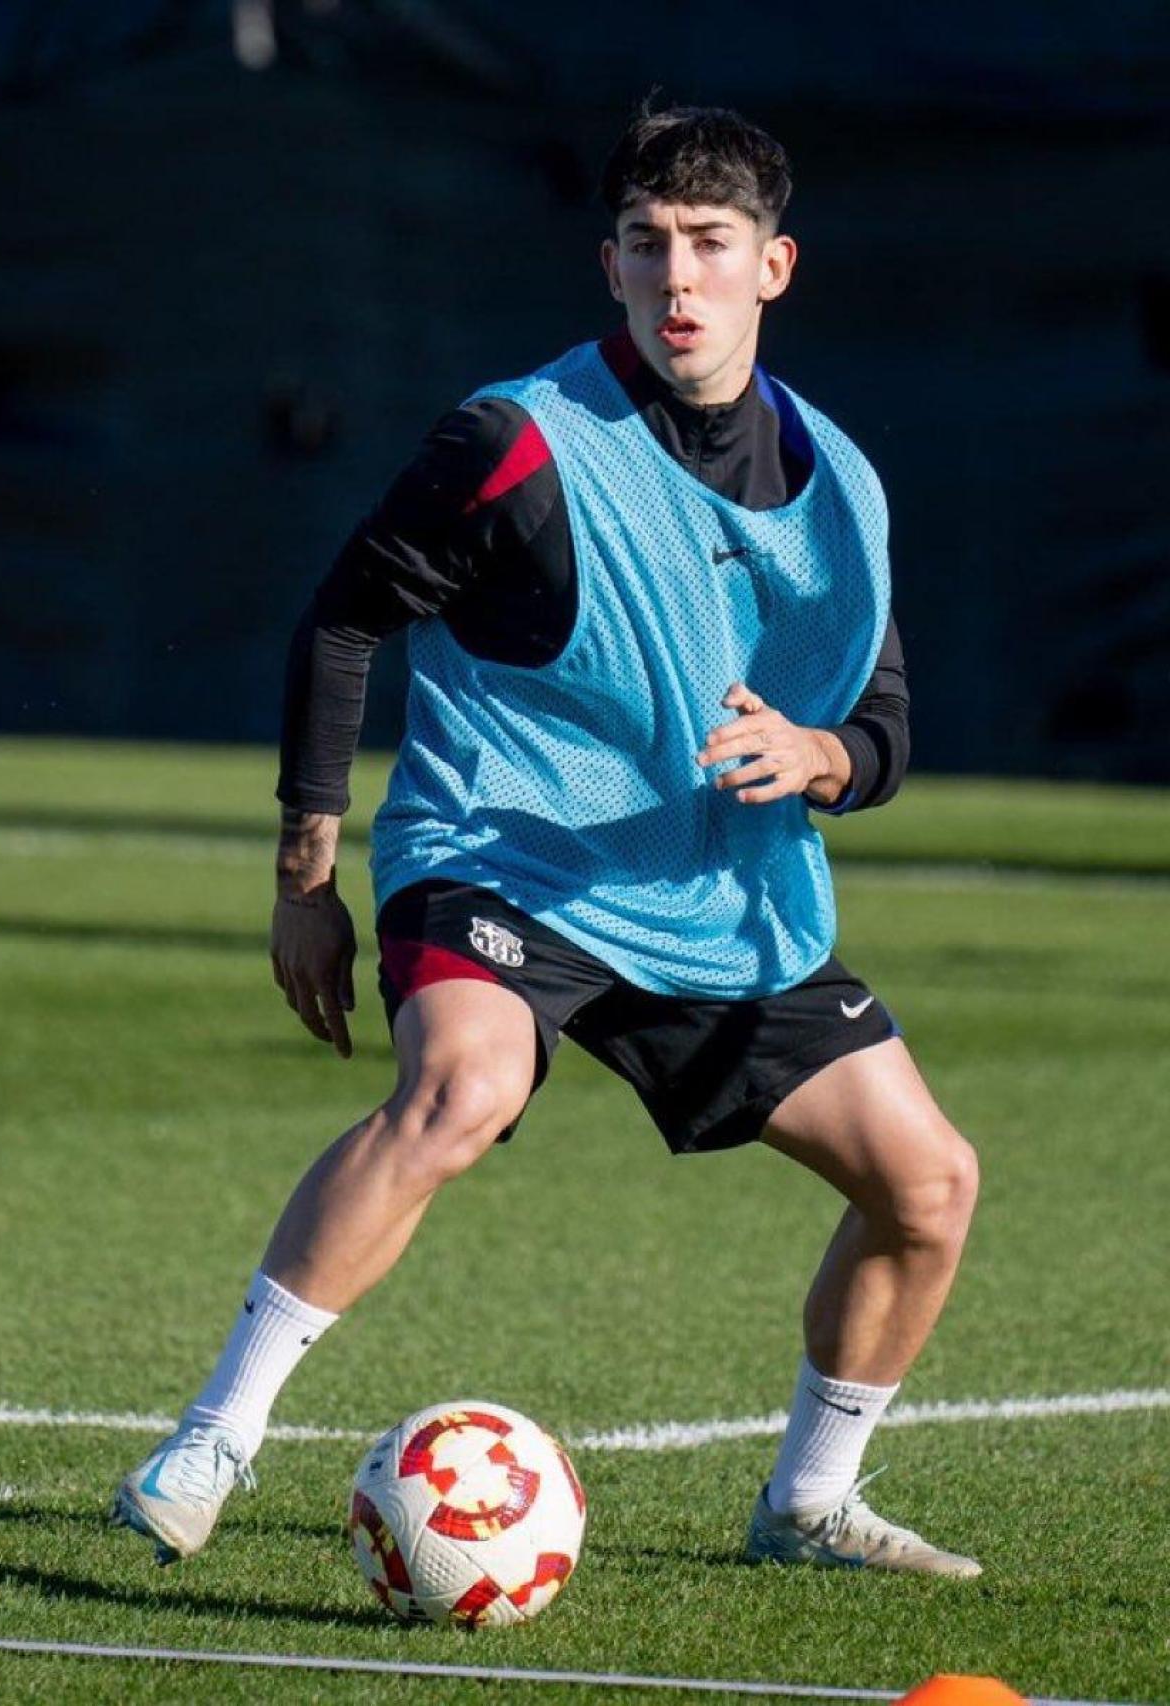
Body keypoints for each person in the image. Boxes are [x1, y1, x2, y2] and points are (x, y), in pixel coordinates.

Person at [112, 102, 981, 1577]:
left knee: (930, 1183)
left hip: (710, 892)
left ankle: (809, 1505)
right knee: (463, 1081)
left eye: (710, 246)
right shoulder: (516, 442)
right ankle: (212, 1437)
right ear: (610, 264)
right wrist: (306, 880)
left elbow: (879, 726)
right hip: (500, 849)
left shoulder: (841, 490)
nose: (678, 280)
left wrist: (823, 752)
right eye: (648, 247)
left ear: (775, 266)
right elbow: (344, 619)